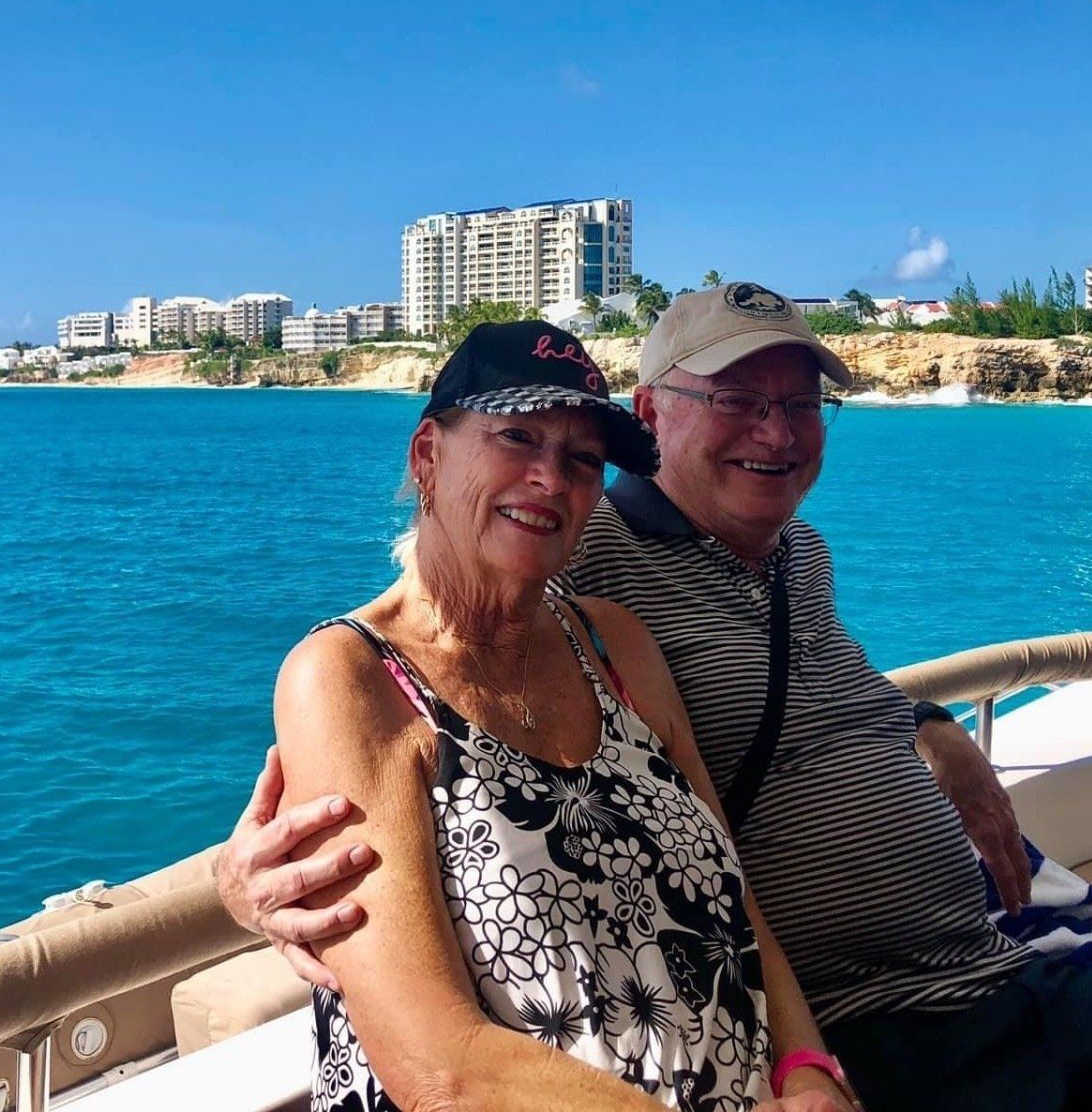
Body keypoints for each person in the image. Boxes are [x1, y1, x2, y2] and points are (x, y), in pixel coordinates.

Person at [224, 285, 1092, 1112]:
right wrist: (242, 876)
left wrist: (934, 728)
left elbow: (799, 736)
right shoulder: (581, 556)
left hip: (990, 978)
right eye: (740, 401)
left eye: (801, 405)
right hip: (878, 1025)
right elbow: (397, 681)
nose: (778, 432)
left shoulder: (766, 572)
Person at [267, 319, 853, 1112]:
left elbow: (735, 902)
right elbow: (438, 1068)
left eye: (582, 459)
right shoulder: (350, 677)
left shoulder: (617, 645)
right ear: (428, 456)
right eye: (516, 437)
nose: (552, 477)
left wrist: (808, 1071)